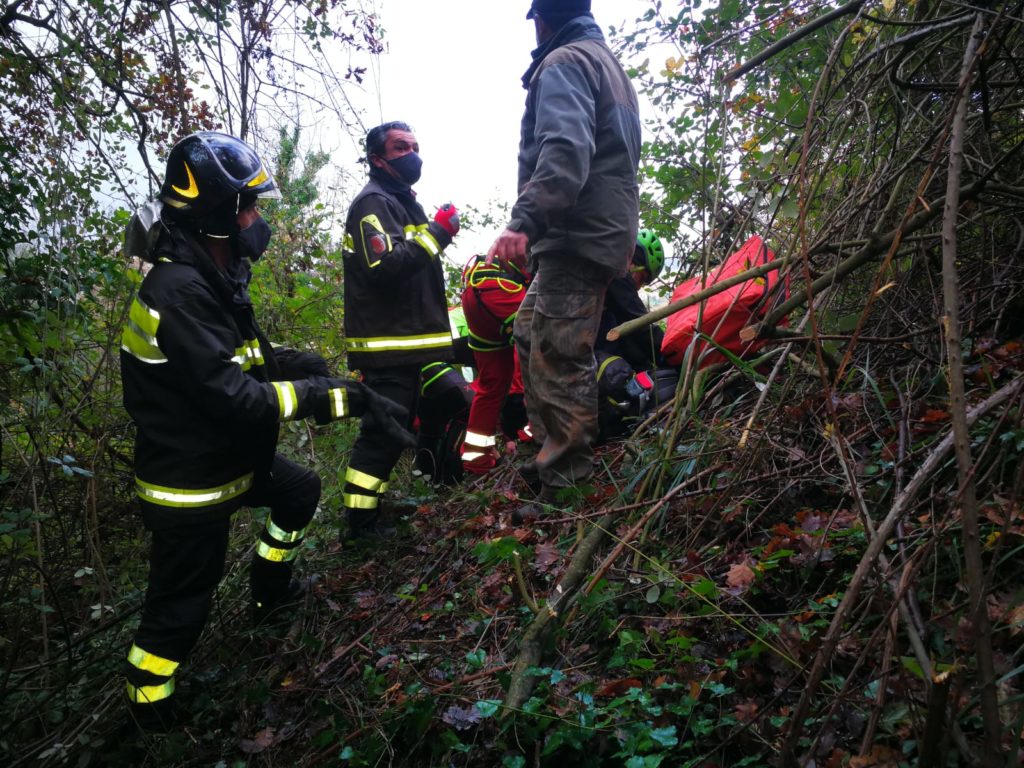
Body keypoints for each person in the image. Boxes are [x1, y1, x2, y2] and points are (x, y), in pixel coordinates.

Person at [120, 131, 412, 732]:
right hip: (191, 484)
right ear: (217, 216)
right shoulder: (176, 290)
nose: (257, 220)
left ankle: (269, 590)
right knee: (180, 608)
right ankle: (150, 709)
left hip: (228, 459)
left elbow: (230, 361)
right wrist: (328, 395)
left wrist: (298, 362)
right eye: (248, 208)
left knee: (299, 490)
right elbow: (233, 397)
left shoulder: (209, 278)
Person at [487, 0, 641, 511]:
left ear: (540, 19)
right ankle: (549, 456)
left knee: (559, 354)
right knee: (530, 331)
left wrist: (523, 222)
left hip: (576, 234)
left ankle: (567, 489)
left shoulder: (565, 62)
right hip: (592, 232)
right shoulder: (606, 63)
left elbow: (565, 150)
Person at [341, 121, 460, 538]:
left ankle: (374, 510)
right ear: (378, 159)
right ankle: (359, 525)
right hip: (386, 350)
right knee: (381, 436)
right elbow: (386, 267)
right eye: (400, 147)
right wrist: (439, 234)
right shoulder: (372, 203)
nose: (412, 153)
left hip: (407, 349)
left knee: (394, 434)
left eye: (414, 145)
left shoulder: (401, 202)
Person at [460, 254, 531, 474]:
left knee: (491, 386)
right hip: (502, 289)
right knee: (545, 359)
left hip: (474, 294)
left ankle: (476, 462)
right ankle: (536, 438)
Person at [597, 229, 667, 372]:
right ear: (632, 263)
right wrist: (673, 354)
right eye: (642, 278)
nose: (638, 287)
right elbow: (641, 326)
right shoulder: (616, 273)